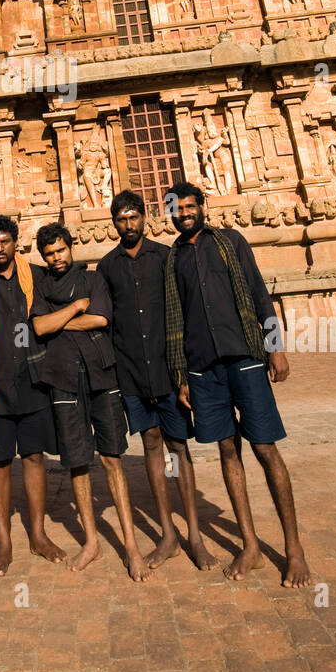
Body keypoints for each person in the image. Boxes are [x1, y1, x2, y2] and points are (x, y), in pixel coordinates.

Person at [165, 182, 311, 587]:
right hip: (202, 368)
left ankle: (293, 548)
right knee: (228, 450)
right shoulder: (173, 257)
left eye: (190, 206)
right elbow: (173, 319)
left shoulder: (230, 241)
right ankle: (249, 544)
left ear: (202, 207)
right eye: (177, 209)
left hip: (245, 357)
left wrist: (275, 347)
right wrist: (181, 377)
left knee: (265, 448)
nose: (184, 214)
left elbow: (258, 294)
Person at [97, 191, 216, 571]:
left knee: (178, 448)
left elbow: (183, 312)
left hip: (167, 371)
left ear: (145, 217)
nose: (128, 225)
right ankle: (168, 534)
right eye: (121, 219)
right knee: (151, 444)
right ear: (114, 223)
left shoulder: (166, 258)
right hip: (132, 372)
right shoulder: (106, 267)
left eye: (133, 217)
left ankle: (194, 535)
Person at [31, 224, 151, 582]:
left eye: (61, 250)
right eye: (50, 253)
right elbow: (38, 329)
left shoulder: (93, 279)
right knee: (77, 462)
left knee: (113, 458)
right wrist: (74, 309)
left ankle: (130, 544)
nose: (57, 258)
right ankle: (91, 541)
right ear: (43, 256)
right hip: (63, 379)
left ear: (71, 247)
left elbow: (100, 318)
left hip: (101, 373)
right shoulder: (40, 286)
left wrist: (58, 320)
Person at [0, 214, 65, 577]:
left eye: (5, 241)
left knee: (35, 457)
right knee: (0, 464)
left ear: (15, 241)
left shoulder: (37, 278)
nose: (0, 248)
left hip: (34, 381)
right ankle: (4, 542)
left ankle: (37, 533)